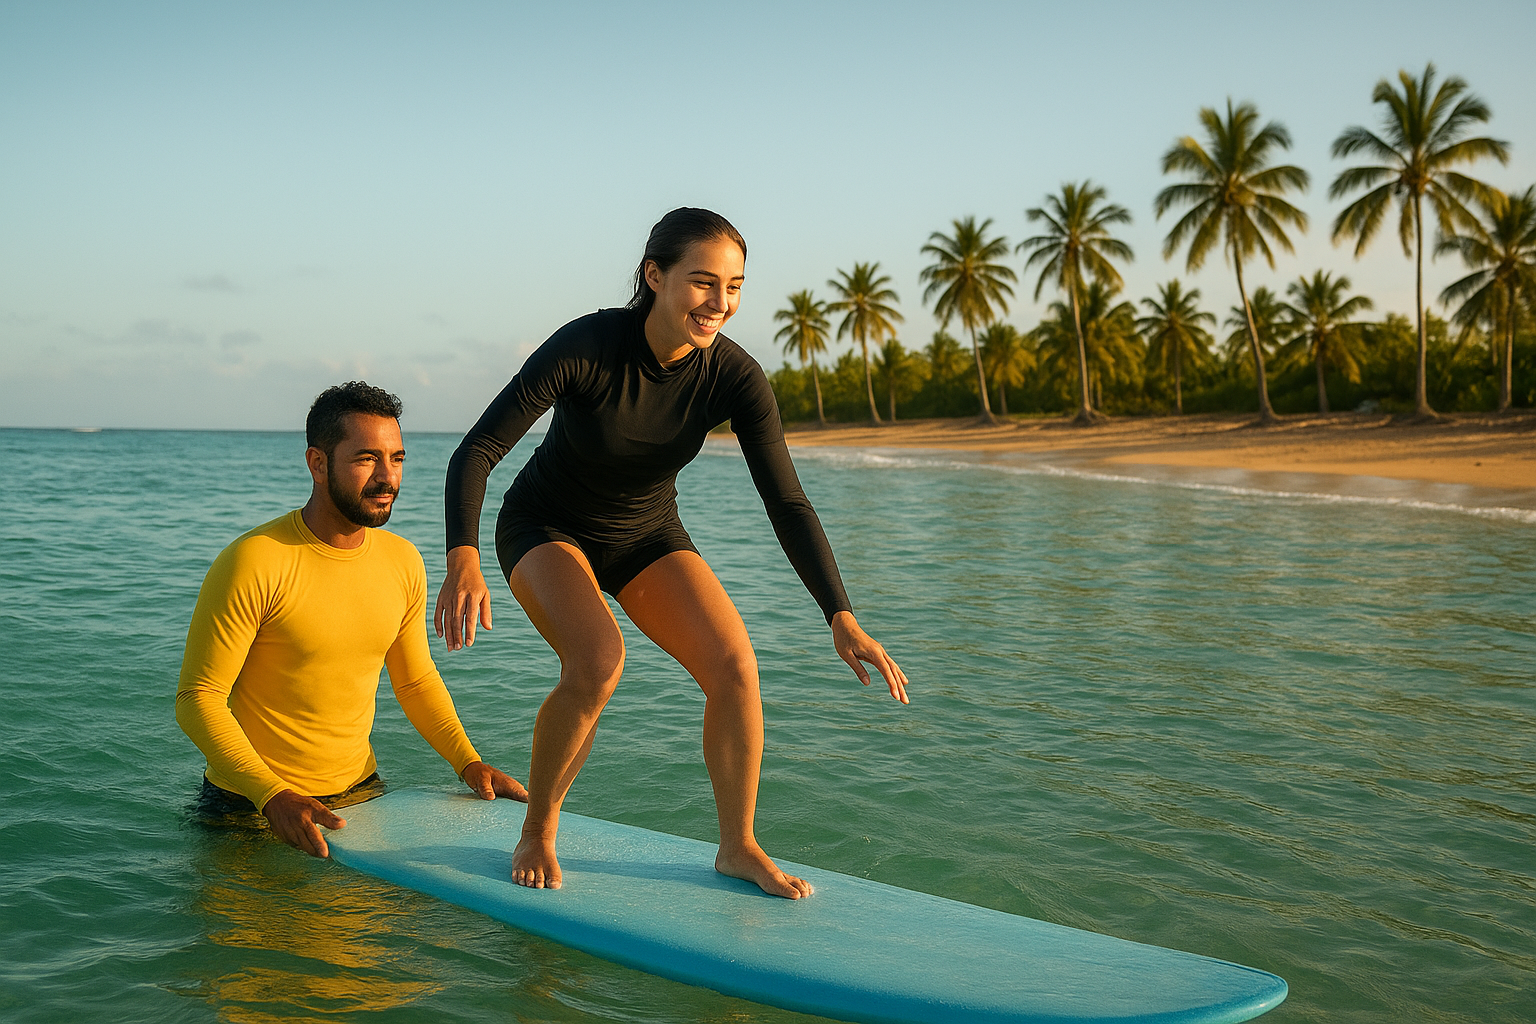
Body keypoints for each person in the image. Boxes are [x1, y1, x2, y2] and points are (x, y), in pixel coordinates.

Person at [435, 207, 909, 900]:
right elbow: (478, 450)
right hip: (545, 526)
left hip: (647, 532)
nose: (720, 304)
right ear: (654, 276)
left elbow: (788, 503)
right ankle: (538, 825)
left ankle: (738, 845)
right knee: (597, 659)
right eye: (702, 282)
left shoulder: (733, 377)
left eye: (735, 286)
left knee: (734, 666)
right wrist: (462, 557)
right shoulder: (587, 346)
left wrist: (840, 613)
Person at [176, 382, 527, 859]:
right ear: (318, 464)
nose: (388, 478)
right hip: (248, 806)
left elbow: (416, 680)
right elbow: (198, 699)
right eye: (367, 459)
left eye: (397, 458)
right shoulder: (255, 560)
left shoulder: (402, 561)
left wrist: (468, 763)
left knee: (361, 931)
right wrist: (270, 795)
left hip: (358, 795)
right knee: (246, 935)